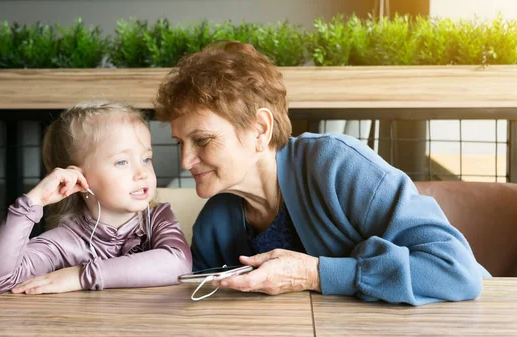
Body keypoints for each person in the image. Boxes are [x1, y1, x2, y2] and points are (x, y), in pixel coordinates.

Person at [154, 40, 490, 306]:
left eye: (201, 140)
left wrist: (315, 274)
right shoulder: (215, 223)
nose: (185, 161)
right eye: (180, 142)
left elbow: (454, 271)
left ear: (259, 129)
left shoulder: (336, 165)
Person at [0, 102, 192, 295]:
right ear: (79, 178)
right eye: (122, 162)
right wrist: (33, 202)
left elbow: (179, 264)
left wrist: (80, 276)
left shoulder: (157, 219)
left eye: (146, 159)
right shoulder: (65, 241)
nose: (142, 173)